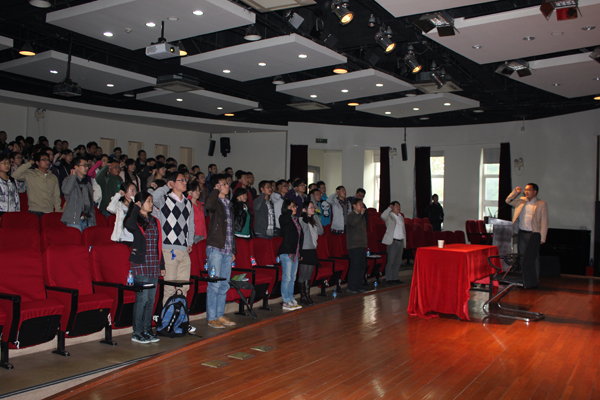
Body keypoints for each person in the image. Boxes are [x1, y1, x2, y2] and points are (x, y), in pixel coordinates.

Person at [151, 171, 195, 332]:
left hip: (183, 249)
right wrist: (165, 187)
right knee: (170, 287)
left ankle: (180, 321)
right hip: (169, 248)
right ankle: (166, 322)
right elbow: (153, 198)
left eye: (185, 180)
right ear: (173, 182)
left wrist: (189, 242)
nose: (185, 182)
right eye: (181, 180)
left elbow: (191, 224)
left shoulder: (188, 203)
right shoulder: (165, 200)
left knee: (183, 287)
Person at [124, 192, 165, 344]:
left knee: (151, 299)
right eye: (148, 201)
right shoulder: (135, 220)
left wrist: (161, 264)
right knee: (142, 299)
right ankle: (137, 332)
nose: (151, 204)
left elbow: (158, 244)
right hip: (141, 263)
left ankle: (147, 329)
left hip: (153, 263)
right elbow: (129, 225)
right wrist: (135, 208)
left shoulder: (155, 221)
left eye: (151, 201)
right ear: (140, 203)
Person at [205, 174, 237, 329]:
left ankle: (219, 314)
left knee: (224, 285)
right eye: (223, 184)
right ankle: (211, 317)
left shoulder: (229, 204)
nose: (227, 186)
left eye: (227, 184)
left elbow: (232, 230)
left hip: (227, 249)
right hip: (215, 249)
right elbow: (208, 206)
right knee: (214, 285)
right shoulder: (215, 201)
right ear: (217, 186)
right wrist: (215, 191)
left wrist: (233, 250)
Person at [506, 183, 549, 284]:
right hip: (522, 233)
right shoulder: (521, 201)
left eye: (529, 190)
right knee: (522, 257)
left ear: (535, 192)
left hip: (533, 234)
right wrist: (515, 192)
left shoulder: (541, 204)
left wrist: (542, 237)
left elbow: (544, 221)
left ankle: (534, 280)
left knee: (534, 258)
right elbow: (508, 201)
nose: (526, 192)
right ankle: (524, 279)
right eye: (525, 190)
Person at [12, 152, 61, 217]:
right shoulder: (30, 174)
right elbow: (14, 176)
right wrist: (29, 163)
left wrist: (58, 210)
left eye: (48, 160)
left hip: (49, 210)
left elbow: (56, 195)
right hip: (34, 210)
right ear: (37, 162)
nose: (47, 162)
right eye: (43, 160)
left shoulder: (53, 177)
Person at [277, 199, 303, 310]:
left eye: (295, 206)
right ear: (286, 208)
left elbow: (300, 238)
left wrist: (300, 251)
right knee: (287, 277)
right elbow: (286, 220)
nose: (295, 208)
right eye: (292, 206)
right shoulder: (283, 217)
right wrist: (289, 210)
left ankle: (291, 298)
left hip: (295, 252)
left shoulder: (296, 220)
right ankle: (286, 301)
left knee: (292, 278)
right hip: (286, 252)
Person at [298, 199, 323, 305]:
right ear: (304, 209)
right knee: (303, 274)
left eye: (314, 207)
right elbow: (300, 236)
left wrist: (316, 218)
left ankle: (307, 296)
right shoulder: (301, 220)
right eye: (311, 207)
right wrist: (300, 252)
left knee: (309, 275)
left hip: (312, 249)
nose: (314, 209)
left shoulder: (314, 220)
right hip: (304, 249)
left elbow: (321, 231)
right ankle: (303, 297)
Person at [60, 157, 96, 232]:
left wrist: (93, 220)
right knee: (75, 238)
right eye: (84, 165)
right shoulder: (68, 180)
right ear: (76, 167)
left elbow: (91, 204)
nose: (87, 168)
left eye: (88, 166)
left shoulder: (87, 184)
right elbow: (66, 191)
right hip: (74, 220)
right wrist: (73, 176)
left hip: (87, 219)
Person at [346, 198, 368, 293]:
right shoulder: (351, 215)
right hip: (354, 245)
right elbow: (353, 223)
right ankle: (351, 287)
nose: (362, 205)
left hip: (361, 244)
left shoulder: (361, 216)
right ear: (354, 205)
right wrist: (361, 214)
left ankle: (358, 285)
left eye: (362, 204)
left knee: (362, 266)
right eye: (360, 204)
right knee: (355, 266)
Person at [381, 201, 405, 284]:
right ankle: (389, 278)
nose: (398, 208)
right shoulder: (389, 216)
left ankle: (395, 278)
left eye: (399, 206)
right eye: (396, 206)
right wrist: (389, 209)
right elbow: (382, 216)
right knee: (391, 261)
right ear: (392, 207)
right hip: (393, 241)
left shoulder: (401, 216)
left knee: (398, 261)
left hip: (400, 240)